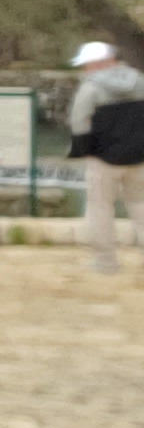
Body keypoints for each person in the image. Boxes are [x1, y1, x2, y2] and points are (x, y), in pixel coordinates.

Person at [69, 39, 144, 273]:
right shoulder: (140, 80)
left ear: (100, 63)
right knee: (141, 205)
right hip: (139, 157)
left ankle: (106, 262)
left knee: (100, 209)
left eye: (87, 64)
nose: (85, 69)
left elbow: (78, 122)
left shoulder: (90, 88)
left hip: (103, 159)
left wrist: (83, 151)